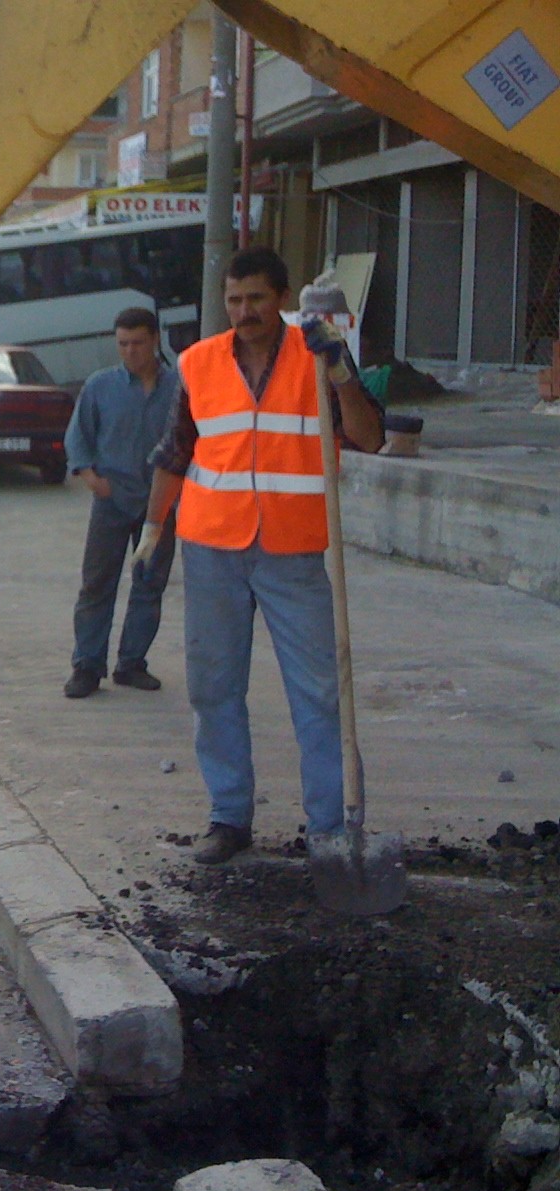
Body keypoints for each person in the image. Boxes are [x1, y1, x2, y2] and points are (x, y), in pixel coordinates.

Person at [134, 247, 382, 865]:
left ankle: (329, 826)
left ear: (283, 297)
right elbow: (175, 451)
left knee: (321, 692)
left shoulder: (319, 352)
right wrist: (151, 527)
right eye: (234, 300)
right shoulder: (198, 363)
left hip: (292, 552)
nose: (244, 312)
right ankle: (228, 815)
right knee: (214, 687)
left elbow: (370, 436)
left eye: (257, 300)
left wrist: (342, 373)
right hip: (212, 547)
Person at [63, 307, 180, 699]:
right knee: (97, 584)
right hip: (112, 502)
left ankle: (132, 663)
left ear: (156, 340)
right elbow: (77, 438)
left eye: (138, 343)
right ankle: (87, 667)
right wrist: (93, 480)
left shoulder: (180, 388)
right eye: (123, 344)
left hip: (160, 506)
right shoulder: (101, 386)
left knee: (149, 584)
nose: (130, 352)